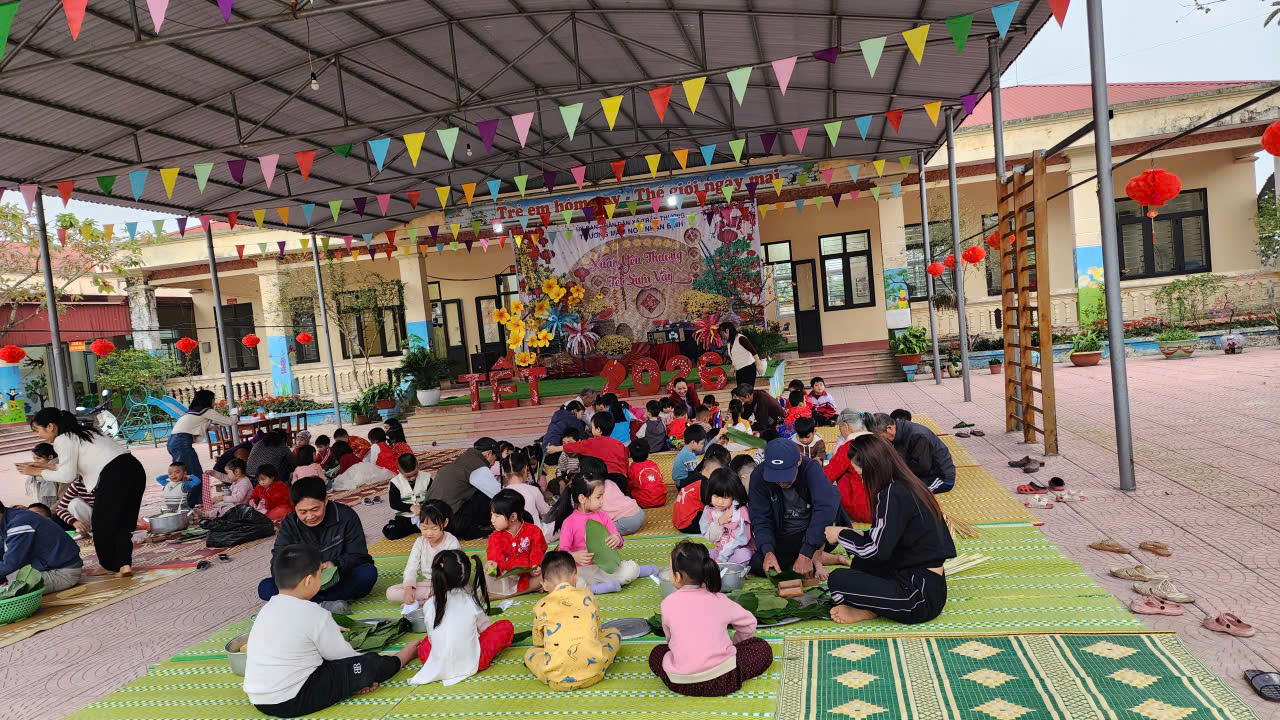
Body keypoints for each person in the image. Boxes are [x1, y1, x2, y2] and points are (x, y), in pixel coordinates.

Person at [243, 544, 421, 718]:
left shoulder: (267, 608)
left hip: (259, 699)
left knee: (333, 666)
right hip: (293, 698)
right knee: (368, 664)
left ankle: (351, 682)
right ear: (309, 581)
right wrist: (359, 676)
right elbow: (344, 656)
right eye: (320, 574)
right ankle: (403, 656)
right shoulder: (315, 613)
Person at [824, 434, 957, 625]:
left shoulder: (891, 494)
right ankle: (873, 605)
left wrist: (840, 534)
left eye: (861, 475)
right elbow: (888, 536)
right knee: (860, 562)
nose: (862, 481)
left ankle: (870, 609)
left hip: (917, 598)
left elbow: (876, 551)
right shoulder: (905, 483)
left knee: (837, 580)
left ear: (873, 468)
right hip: (927, 584)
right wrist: (853, 534)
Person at [20, 408, 146, 577]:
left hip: (114, 475)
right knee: (122, 520)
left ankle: (109, 565)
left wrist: (37, 472)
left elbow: (67, 475)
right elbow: (70, 466)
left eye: (38, 430)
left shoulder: (63, 439)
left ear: (50, 426)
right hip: (134, 469)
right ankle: (124, 565)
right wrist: (45, 466)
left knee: (101, 523)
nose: (39, 435)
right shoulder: (84, 432)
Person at [649, 541, 772, 696]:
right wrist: (737, 644)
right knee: (762, 648)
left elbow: (671, 640)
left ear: (678, 576)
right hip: (723, 680)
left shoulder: (667, 604)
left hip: (680, 683)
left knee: (657, 653)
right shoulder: (719, 599)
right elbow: (749, 622)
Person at [258, 476, 377, 613]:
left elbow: (360, 555)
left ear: (325, 500)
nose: (310, 516)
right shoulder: (289, 524)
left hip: (338, 578)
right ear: (294, 507)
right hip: (306, 584)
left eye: (315, 509)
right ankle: (325, 603)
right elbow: (278, 563)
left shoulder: (346, 516)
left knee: (368, 573)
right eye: (302, 512)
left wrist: (335, 564)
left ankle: (312, 603)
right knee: (266, 587)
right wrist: (303, 571)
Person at [408, 550, 514, 687]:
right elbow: (486, 628)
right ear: (465, 576)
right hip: (474, 662)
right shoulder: (470, 601)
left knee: (424, 645)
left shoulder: (429, 604)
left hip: (439, 665)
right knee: (505, 626)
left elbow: (432, 637)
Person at [747, 438, 849, 580]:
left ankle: (814, 557)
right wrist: (768, 551)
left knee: (820, 531)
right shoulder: (759, 475)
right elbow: (760, 518)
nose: (782, 482)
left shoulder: (811, 469)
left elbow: (825, 509)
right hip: (783, 536)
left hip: (811, 532)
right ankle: (815, 559)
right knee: (758, 564)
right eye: (776, 477)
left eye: (787, 476)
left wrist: (806, 552)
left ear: (799, 460)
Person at [524, 550, 621, 691]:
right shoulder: (588, 595)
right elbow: (597, 631)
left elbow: (539, 644)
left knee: (530, 653)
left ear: (544, 584)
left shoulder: (540, 606)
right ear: (576, 576)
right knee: (613, 633)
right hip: (595, 672)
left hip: (557, 680)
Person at [548, 473, 657, 595]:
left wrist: (616, 539)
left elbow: (618, 538)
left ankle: (637, 571)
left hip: (604, 567)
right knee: (568, 583)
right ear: (582, 499)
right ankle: (597, 588)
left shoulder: (603, 516)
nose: (602, 501)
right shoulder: (569, 522)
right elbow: (563, 552)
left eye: (602, 496)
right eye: (598, 497)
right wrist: (573, 556)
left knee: (629, 570)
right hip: (581, 570)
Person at [421, 437, 500, 540]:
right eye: (495, 458)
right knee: (484, 494)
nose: (494, 463)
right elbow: (497, 493)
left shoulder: (462, 460)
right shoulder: (477, 466)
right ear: (489, 453)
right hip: (450, 525)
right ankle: (470, 530)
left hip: (428, 521)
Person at [0, 499, 83, 593]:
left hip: (62, 573)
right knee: (11, 575)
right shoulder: (10, 518)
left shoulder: (18, 523)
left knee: (12, 585)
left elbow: (11, 563)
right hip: (48, 567)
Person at [386, 501, 459, 605]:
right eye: (424, 528)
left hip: (447, 584)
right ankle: (431, 598)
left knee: (460, 591)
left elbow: (456, 572)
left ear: (445, 523)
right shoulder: (420, 542)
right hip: (428, 585)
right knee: (391, 592)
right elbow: (411, 567)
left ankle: (428, 599)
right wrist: (408, 588)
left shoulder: (452, 542)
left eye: (434, 528)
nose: (429, 533)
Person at [484, 489, 547, 598]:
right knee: (486, 571)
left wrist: (535, 566)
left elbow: (538, 551)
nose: (492, 520)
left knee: (550, 571)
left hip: (528, 575)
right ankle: (530, 588)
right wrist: (492, 567)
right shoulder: (495, 537)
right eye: (491, 515)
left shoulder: (534, 531)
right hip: (506, 577)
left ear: (513, 517)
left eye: (497, 516)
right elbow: (495, 558)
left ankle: (498, 596)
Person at [167, 389, 237, 484]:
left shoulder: (191, 412)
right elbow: (230, 421)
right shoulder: (207, 411)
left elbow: (191, 426)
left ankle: (185, 493)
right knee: (193, 473)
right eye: (214, 399)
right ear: (208, 400)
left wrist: (210, 427)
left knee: (182, 473)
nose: (214, 402)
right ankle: (195, 494)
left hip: (172, 442)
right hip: (182, 443)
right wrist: (236, 414)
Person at [880, 416, 957, 494]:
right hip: (922, 471)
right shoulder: (899, 432)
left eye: (881, 436)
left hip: (940, 478)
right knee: (888, 483)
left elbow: (923, 466)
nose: (881, 440)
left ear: (889, 428)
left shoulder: (919, 436)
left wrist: (898, 473)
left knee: (902, 492)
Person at [546, 414, 629, 484]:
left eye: (592, 427)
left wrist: (555, 448)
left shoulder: (591, 442)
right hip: (621, 479)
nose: (590, 429)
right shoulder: (620, 444)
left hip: (602, 479)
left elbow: (575, 446)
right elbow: (626, 463)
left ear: (598, 430)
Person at [827, 409, 876, 523]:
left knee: (841, 478)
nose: (840, 433)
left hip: (863, 510)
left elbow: (827, 476)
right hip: (886, 506)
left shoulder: (849, 448)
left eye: (840, 429)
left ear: (846, 426)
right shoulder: (881, 441)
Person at [581, 455, 645, 536]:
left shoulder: (593, 491)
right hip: (639, 512)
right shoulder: (609, 482)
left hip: (627, 522)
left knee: (593, 532)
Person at [673, 445, 730, 534]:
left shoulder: (696, 476)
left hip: (678, 520)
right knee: (719, 512)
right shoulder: (704, 484)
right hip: (689, 523)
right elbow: (713, 503)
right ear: (714, 472)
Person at [699, 469, 753, 565]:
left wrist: (722, 559)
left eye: (725, 497)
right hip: (720, 551)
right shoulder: (709, 510)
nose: (720, 502)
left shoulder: (740, 511)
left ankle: (724, 567)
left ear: (734, 495)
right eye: (716, 496)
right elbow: (710, 538)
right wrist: (719, 522)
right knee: (703, 556)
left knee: (744, 555)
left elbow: (739, 541)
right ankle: (724, 567)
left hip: (737, 551)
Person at [500, 452, 553, 537]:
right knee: (561, 524)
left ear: (505, 474)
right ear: (525, 470)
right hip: (535, 535)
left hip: (511, 537)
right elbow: (546, 512)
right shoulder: (533, 490)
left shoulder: (500, 494)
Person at [383, 454, 429, 540]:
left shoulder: (427, 477)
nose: (412, 478)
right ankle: (395, 525)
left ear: (418, 466)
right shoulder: (395, 483)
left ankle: (419, 527)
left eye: (415, 474)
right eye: (408, 476)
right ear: (399, 471)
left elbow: (434, 495)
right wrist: (410, 507)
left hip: (425, 514)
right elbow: (394, 503)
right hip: (405, 517)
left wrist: (425, 508)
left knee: (442, 526)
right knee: (393, 533)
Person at [719, 322, 762, 388]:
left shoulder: (741, 338)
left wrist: (758, 365)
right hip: (739, 371)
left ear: (727, 330)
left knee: (747, 391)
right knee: (740, 391)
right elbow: (734, 356)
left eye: (722, 333)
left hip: (748, 369)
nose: (722, 336)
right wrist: (732, 368)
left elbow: (754, 352)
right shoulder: (729, 343)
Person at [627, 443, 667, 509]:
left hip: (644, 502)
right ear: (648, 453)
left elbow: (629, 485)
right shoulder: (653, 464)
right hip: (661, 499)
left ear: (630, 454)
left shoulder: (632, 468)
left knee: (630, 491)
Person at [25, 443, 64, 511]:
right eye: (34, 459)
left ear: (50, 457)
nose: (35, 462)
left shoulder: (60, 472)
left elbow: (64, 499)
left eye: (38, 458)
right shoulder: (40, 476)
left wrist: (48, 512)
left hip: (59, 511)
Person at [548, 427, 581, 498]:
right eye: (564, 444)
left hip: (579, 479)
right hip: (568, 479)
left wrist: (573, 480)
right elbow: (560, 469)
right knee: (552, 484)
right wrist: (561, 482)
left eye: (570, 443)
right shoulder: (564, 454)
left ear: (579, 441)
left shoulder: (583, 454)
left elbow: (584, 471)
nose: (567, 447)